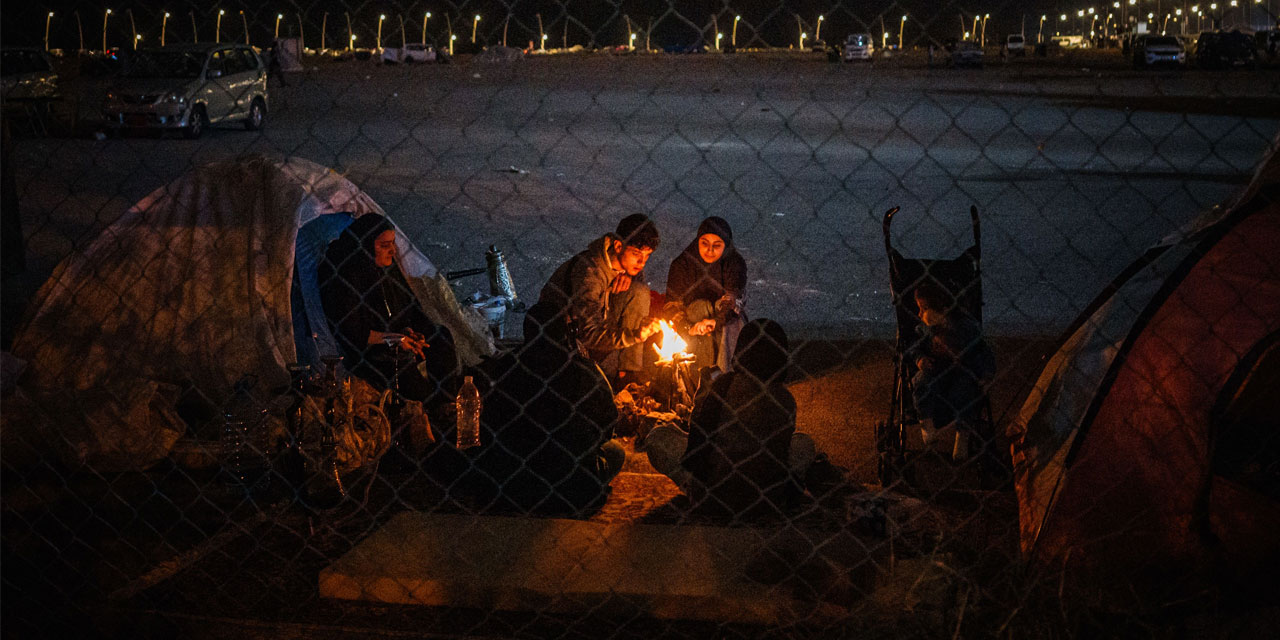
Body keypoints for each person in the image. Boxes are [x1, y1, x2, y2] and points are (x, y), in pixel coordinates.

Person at [645, 319, 818, 520]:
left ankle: (694, 489)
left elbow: (698, 438)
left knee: (658, 436)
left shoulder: (724, 386)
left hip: (712, 495)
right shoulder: (785, 399)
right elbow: (782, 449)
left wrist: (703, 392)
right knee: (804, 443)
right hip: (766, 499)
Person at [468, 301, 626, 515]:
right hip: (573, 487)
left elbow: (489, 423)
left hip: (513, 484)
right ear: (568, 334)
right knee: (615, 451)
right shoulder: (584, 370)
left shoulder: (506, 367)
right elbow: (608, 424)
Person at [317, 213, 458, 411]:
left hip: (395, 337)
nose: (392, 250)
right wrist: (396, 339)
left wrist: (410, 332)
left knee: (440, 336)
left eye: (392, 243)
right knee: (400, 366)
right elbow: (353, 333)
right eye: (384, 245)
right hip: (370, 349)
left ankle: (449, 400)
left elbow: (408, 307)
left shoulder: (386, 269)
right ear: (365, 245)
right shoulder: (345, 277)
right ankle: (430, 407)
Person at [537, 214, 664, 386]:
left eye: (647, 255)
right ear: (618, 246)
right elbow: (589, 333)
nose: (642, 262)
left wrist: (628, 275)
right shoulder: (590, 274)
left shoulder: (626, 265)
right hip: (565, 338)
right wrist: (635, 335)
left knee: (639, 292)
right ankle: (607, 375)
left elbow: (637, 283)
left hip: (600, 318)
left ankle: (628, 374)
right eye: (636, 254)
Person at [908, 282, 997, 464]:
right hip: (935, 369)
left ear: (942, 308)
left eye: (924, 309)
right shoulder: (924, 329)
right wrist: (920, 359)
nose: (919, 314)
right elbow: (913, 348)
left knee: (964, 391)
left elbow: (982, 352)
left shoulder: (966, 327)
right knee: (921, 381)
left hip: (961, 372)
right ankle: (927, 425)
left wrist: (986, 374)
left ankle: (962, 437)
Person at [664, 216, 747, 377]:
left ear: (726, 245)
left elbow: (733, 300)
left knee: (731, 320)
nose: (709, 250)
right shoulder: (682, 264)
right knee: (700, 307)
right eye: (704, 244)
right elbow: (671, 305)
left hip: (725, 317)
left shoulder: (734, 263)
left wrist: (716, 321)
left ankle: (725, 373)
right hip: (691, 320)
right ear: (697, 242)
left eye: (717, 245)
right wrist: (687, 327)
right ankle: (698, 374)